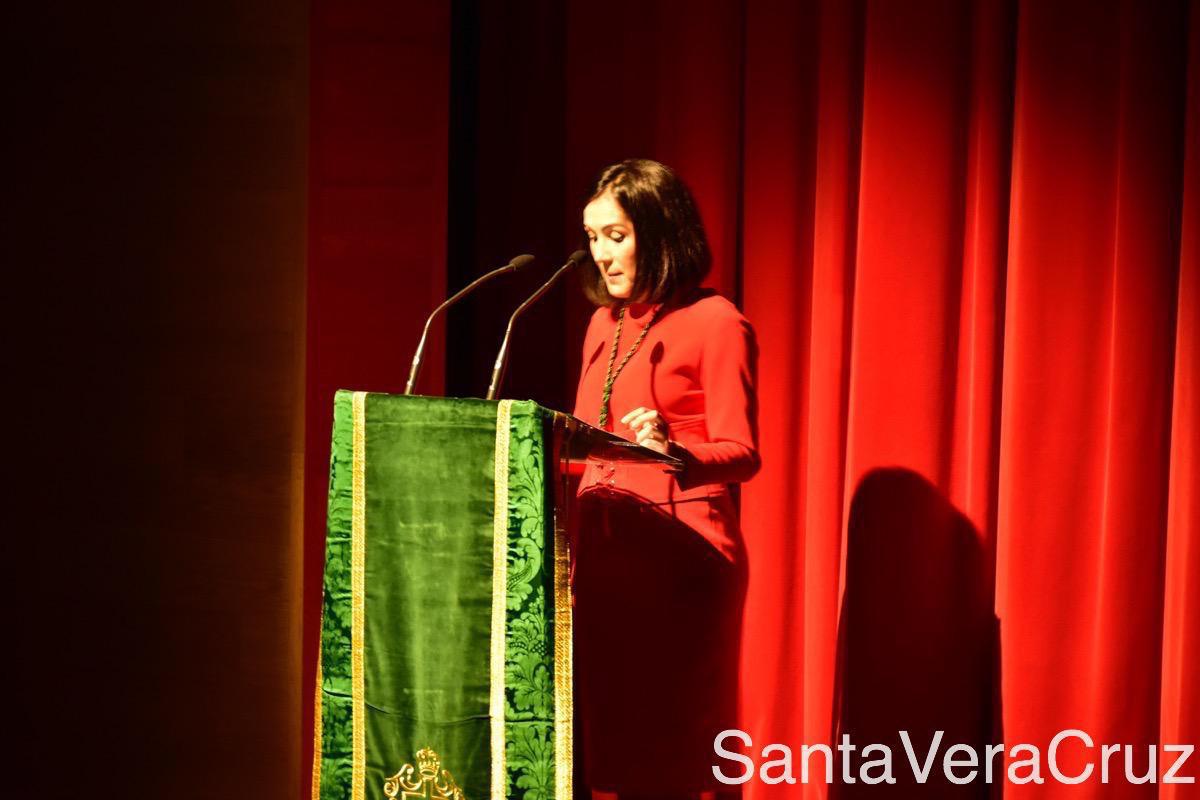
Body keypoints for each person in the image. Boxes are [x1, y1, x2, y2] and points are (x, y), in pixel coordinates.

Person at [572, 158, 760, 799]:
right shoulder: (603, 324)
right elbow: (582, 440)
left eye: (616, 235)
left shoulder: (717, 322)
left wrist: (671, 448)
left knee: (676, 754)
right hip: (602, 560)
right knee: (611, 750)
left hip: (681, 561)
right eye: (593, 237)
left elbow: (743, 451)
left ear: (660, 230)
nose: (600, 253)